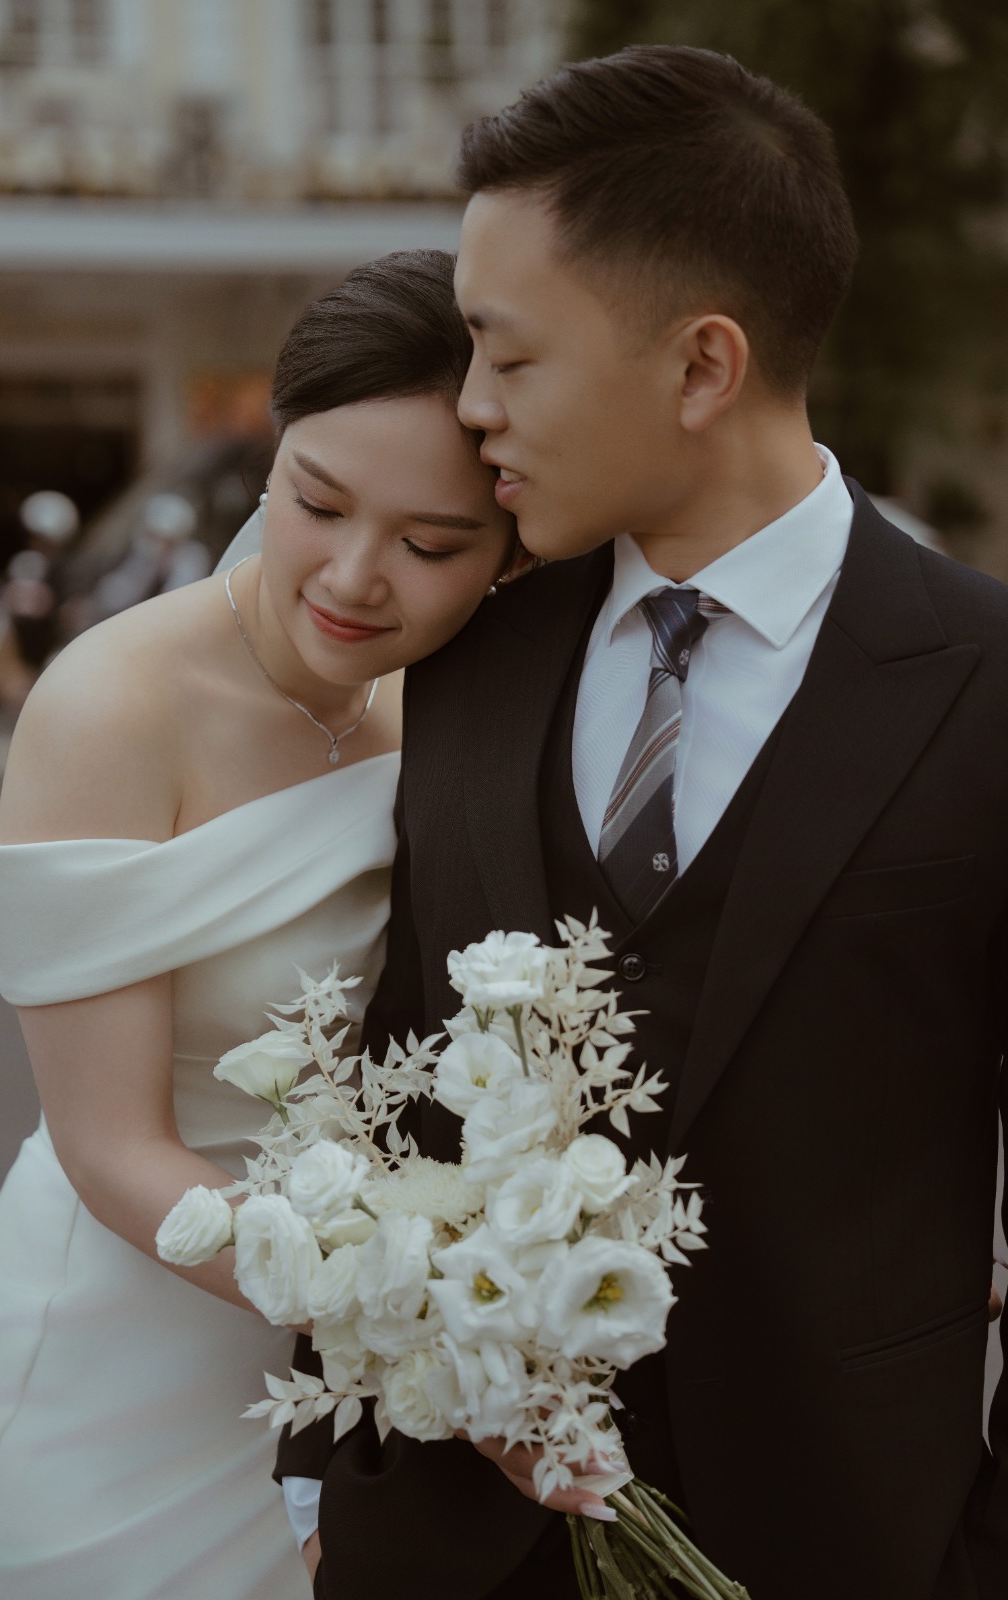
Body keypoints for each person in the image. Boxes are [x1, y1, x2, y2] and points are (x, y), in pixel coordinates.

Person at [277, 46, 1008, 1600]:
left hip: (848, 1536)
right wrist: (326, 1469)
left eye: (507, 356)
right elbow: (389, 1073)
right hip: (444, 1540)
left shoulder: (986, 683)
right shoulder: (466, 651)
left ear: (699, 367)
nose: (470, 409)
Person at [0, 250, 518, 1600]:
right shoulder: (113, 706)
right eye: (316, 503)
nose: (357, 577)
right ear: (267, 458)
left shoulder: (469, 696)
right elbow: (108, 1144)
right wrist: (407, 1322)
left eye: (432, 545)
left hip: (353, 1389)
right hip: (121, 1362)